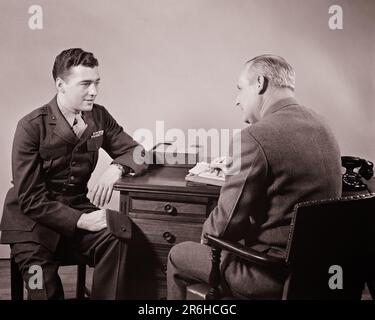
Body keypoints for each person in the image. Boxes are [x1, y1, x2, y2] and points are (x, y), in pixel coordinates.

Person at [167, 54, 342, 299]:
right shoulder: (323, 125)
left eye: (239, 89)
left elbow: (223, 228)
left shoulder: (254, 137)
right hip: (318, 271)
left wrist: (205, 236)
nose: (236, 100)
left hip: (270, 272)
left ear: (259, 83)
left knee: (179, 254)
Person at [0, 48, 147, 299]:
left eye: (97, 83)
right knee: (42, 288)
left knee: (119, 240)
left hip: (77, 208)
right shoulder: (30, 126)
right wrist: (82, 221)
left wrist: (117, 167)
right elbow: (30, 199)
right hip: (29, 225)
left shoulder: (98, 116)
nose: (94, 91)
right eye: (86, 84)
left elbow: (139, 152)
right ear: (61, 84)